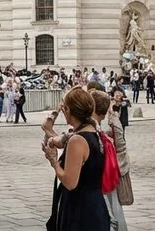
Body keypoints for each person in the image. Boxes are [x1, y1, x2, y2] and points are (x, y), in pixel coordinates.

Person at [43, 88, 110, 230]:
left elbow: (70, 182)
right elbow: (58, 138)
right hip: (95, 203)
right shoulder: (94, 131)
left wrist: (53, 161)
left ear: (68, 110)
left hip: (80, 209)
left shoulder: (77, 140)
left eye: (64, 108)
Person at [93, 91, 129, 231]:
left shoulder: (110, 121)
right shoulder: (111, 119)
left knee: (109, 210)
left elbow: (120, 146)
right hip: (110, 171)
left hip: (107, 172)